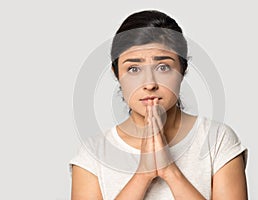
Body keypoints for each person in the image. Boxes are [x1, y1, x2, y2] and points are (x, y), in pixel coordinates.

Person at [70, 10, 248, 200]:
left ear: (182, 69)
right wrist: (143, 174)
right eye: (133, 69)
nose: (149, 84)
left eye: (163, 67)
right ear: (117, 74)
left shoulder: (218, 140)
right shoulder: (94, 154)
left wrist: (170, 172)